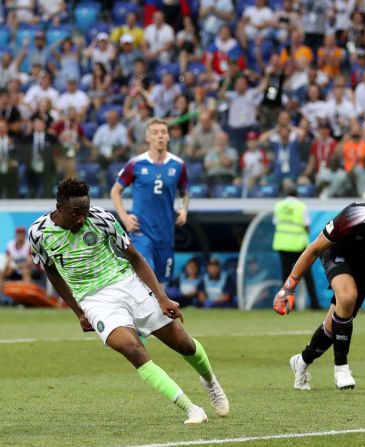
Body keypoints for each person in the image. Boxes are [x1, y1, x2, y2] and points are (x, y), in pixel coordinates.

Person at [28, 178, 228, 424]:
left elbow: (136, 258)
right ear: (59, 209)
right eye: (75, 214)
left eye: (85, 212)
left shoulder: (102, 219)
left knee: (184, 345)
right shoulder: (38, 233)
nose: (81, 218)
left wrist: (162, 298)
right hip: (94, 300)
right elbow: (52, 271)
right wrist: (79, 312)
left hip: (127, 284)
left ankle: (210, 382)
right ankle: (191, 408)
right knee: (131, 349)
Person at [273, 185, 365, 390]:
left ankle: (301, 362)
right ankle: (341, 368)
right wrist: (288, 287)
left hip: (364, 270)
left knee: (335, 324)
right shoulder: (353, 215)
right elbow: (313, 249)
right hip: (337, 256)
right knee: (347, 299)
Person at [111, 118, 189, 285]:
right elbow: (115, 191)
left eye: (163, 132)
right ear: (148, 137)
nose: (160, 136)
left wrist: (183, 210)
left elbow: (184, 192)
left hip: (166, 232)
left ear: (168, 137)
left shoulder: (178, 165)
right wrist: (124, 217)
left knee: (160, 282)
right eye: (155, 133)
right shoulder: (136, 163)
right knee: (146, 273)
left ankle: (156, 311)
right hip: (141, 230)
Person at [272, 180, 319, 310]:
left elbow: (276, 223)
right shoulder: (301, 206)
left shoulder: (279, 205)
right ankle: (314, 304)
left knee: (286, 277)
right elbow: (307, 226)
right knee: (307, 276)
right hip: (298, 245)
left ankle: (284, 305)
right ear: (297, 194)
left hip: (282, 244)